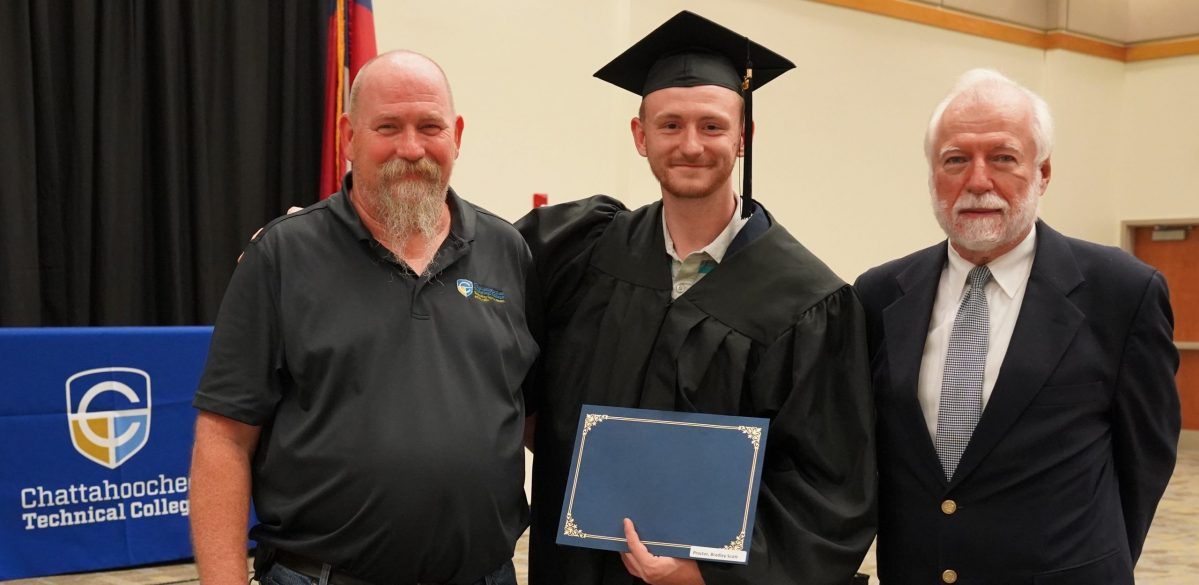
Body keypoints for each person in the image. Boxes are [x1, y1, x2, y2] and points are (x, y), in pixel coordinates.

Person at [517, 11, 876, 585]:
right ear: (640, 137)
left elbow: (830, 491)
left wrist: (704, 572)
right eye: (670, 125)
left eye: (712, 126)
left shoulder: (808, 302)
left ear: (743, 137)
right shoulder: (585, 254)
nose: (691, 145)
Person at [189, 51, 537, 585]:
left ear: (457, 134)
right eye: (388, 127)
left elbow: (531, 412)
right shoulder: (282, 257)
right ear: (348, 135)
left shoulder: (506, 251)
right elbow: (223, 439)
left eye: (430, 126)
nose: (411, 148)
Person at [854, 69, 1180, 584]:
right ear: (933, 174)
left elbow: (1146, 460)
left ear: (1043, 172)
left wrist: (1096, 560)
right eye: (956, 160)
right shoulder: (878, 295)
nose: (978, 181)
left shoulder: (1121, 292)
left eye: (1003, 158)